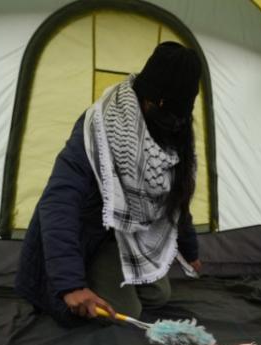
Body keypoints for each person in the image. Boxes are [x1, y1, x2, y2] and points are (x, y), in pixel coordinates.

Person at [15, 42, 202, 324]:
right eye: (160, 109)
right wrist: (71, 284)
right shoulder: (99, 127)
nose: (170, 122)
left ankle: (109, 276)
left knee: (158, 296)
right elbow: (59, 200)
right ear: (146, 98)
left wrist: (190, 250)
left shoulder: (173, 130)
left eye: (177, 117)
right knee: (128, 311)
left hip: (123, 233)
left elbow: (176, 200)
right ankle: (82, 277)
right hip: (86, 235)